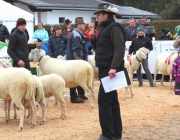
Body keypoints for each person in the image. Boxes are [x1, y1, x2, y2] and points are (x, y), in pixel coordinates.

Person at [89, 3, 126, 140]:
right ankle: (116, 133)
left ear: (106, 15)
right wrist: (93, 39)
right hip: (106, 68)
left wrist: (114, 67)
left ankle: (108, 134)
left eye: (99, 14)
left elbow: (119, 49)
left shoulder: (115, 27)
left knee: (104, 101)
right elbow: (100, 49)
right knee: (112, 101)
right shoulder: (105, 28)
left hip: (111, 70)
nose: (97, 17)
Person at [66, 17, 88, 103]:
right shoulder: (76, 35)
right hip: (75, 61)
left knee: (79, 77)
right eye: (83, 24)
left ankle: (81, 94)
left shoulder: (77, 34)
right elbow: (76, 50)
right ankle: (73, 96)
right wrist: (79, 63)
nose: (84, 25)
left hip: (75, 60)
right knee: (73, 78)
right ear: (78, 25)